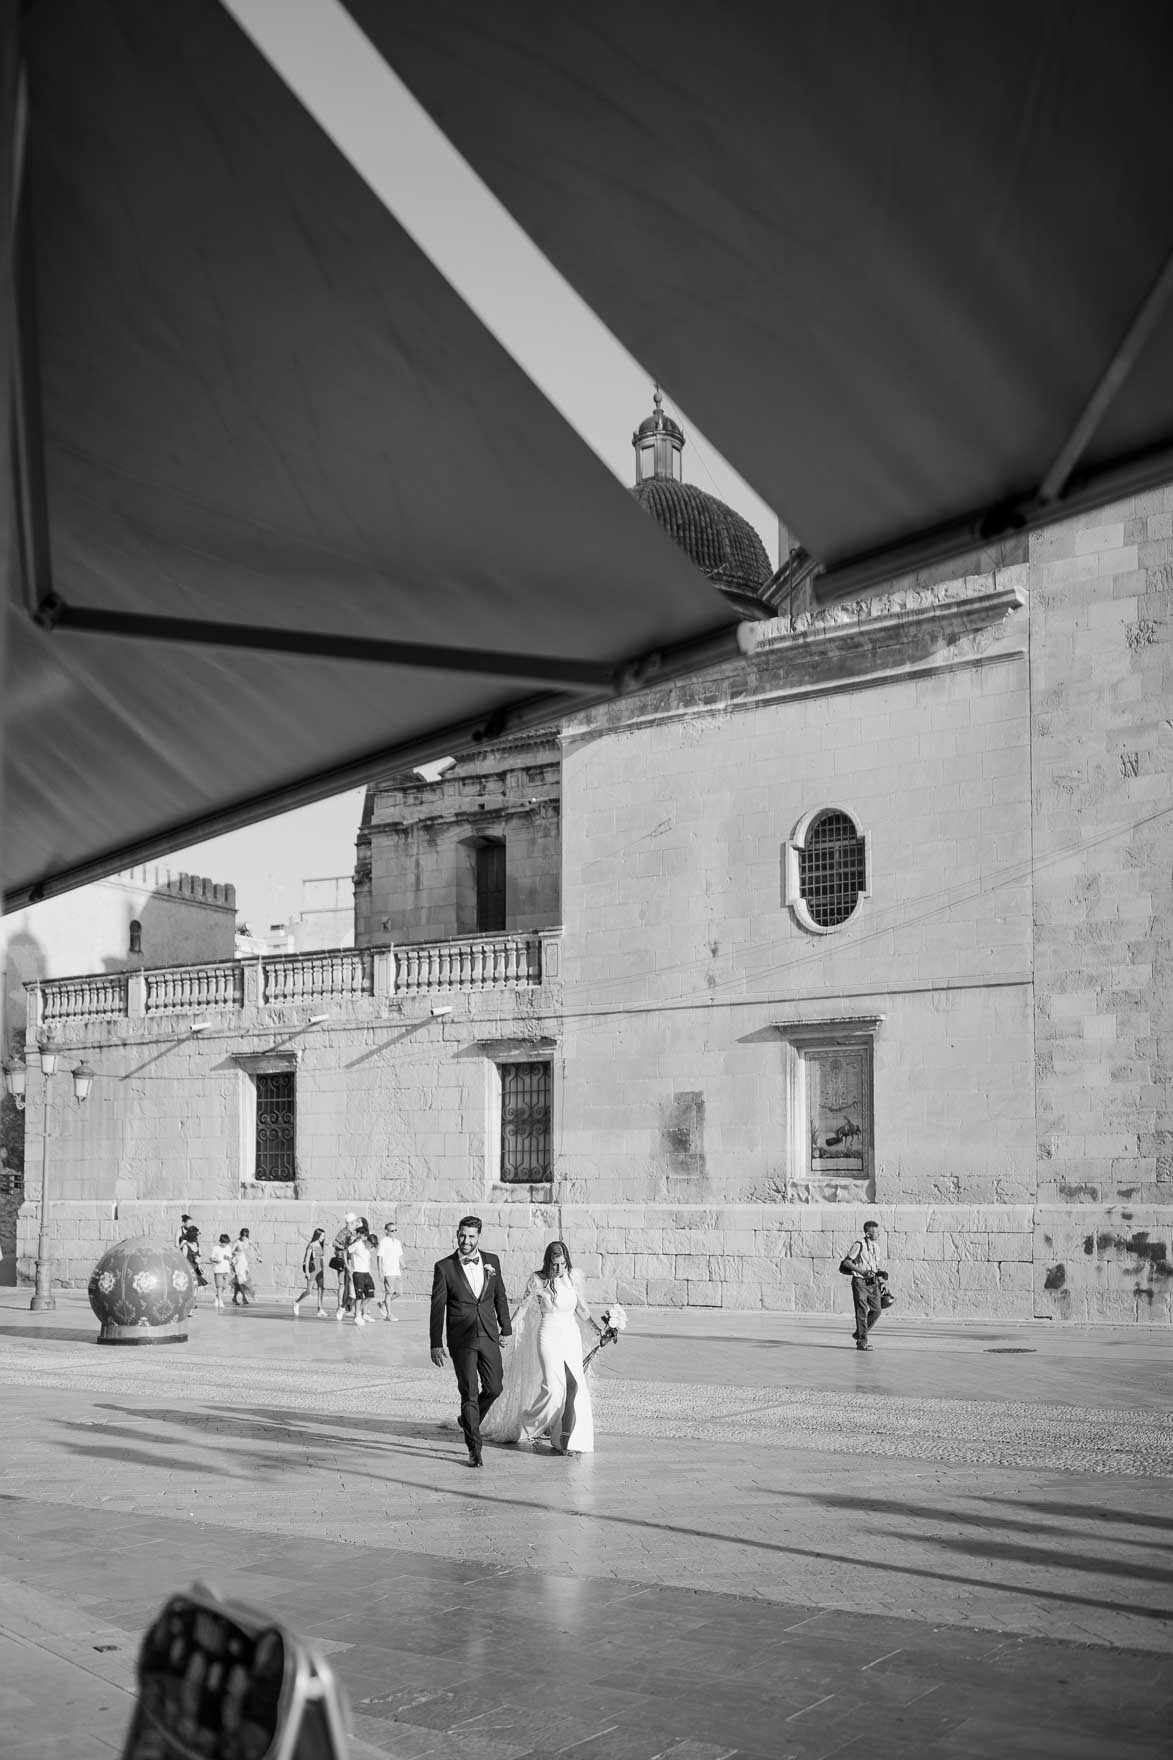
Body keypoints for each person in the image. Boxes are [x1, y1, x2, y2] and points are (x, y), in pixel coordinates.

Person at [483, 1240, 602, 1454]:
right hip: (548, 1335)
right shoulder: (537, 1279)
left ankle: (567, 1439)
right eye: (555, 1264)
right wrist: (507, 1331)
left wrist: (598, 1330)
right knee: (553, 1389)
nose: (558, 1269)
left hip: (571, 1336)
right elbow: (523, 1308)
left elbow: (581, 1310)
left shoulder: (572, 1277)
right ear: (548, 1261)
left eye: (562, 1264)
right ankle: (527, 1426)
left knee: (576, 1388)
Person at [429, 1215, 512, 1468]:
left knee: (495, 1387)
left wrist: (505, 1328)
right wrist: (435, 1342)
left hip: (488, 1334)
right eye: (462, 1235)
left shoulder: (492, 1262)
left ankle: (468, 1421)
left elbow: (500, 1296)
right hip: (461, 1339)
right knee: (469, 1393)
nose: (466, 1241)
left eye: (471, 1236)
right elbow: (437, 1307)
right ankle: (474, 1450)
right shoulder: (444, 1267)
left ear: (479, 1237)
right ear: (457, 1234)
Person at [842, 1218, 887, 1350]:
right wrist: (861, 1271)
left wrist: (881, 1281)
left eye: (878, 1232)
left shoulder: (876, 1247)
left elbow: (875, 1267)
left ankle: (859, 1333)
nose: (878, 1234)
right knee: (861, 1311)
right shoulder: (859, 1245)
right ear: (868, 1233)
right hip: (860, 1281)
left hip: (872, 1283)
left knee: (877, 1310)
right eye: (875, 1232)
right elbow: (847, 1262)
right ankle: (862, 1342)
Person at [293, 1228, 327, 1317]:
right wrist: (307, 1272)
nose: (323, 1237)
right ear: (318, 1235)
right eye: (322, 1235)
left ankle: (320, 1309)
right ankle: (297, 1302)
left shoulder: (320, 1244)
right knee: (309, 1291)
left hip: (320, 1271)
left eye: (324, 1235)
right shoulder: (311, 1245)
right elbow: (307, 1259)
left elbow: (321, 1259)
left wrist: (323, 1269)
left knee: (321, 1289)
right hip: (312, 1270)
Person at [330, 1213, 359, 1317]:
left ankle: (348, 1307)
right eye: (355, 1221)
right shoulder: (344, 1232)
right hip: (342, 1260)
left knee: (349, 1283)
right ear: (351, 1222)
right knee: (342, 1284)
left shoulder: (353, 1232)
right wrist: (345, 1248)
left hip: (350, 1259)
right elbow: (334, 1243)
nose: (356, 1223)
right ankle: (339, 1306)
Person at [348, 1230, 378, 1325]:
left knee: (370, 1294)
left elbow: (376, 1247)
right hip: (358, 1273)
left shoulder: (368, 1248)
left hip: (366, 1273)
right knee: (359, 1296)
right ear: (367, 1241)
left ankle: (358, 1312)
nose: (371, 1247)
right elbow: (345, 1251)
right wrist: (347, 1265)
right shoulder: (357, 1245)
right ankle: (357, 1316)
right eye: (371, 1244)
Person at [376, 1221, 404, 1319]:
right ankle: (388, 1314)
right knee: (389, 1293)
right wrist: (380, 1272)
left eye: (395, 1230)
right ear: (386, 1231)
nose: (394, 1232)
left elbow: (400, 1256)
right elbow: (379, 1257)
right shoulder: (384, 1241)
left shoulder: (397, 1242)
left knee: (400, 1292)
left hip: (397, 1271)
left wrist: (404, 1266)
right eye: (392, 1230)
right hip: (388, 1271)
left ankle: (383, 1304)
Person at [230, 1228, 261, 1307]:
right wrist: (236, 1254)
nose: (244, 1237)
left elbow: (256, 1247)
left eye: (245, 1235)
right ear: (241, 1234)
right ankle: (244, 1297)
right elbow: (231, 1251)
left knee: (241, 1280)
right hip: (237, 1260)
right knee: (240, 1279)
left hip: (243, 1261)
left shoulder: (248, 1240)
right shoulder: (237, 1241)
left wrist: (259, 1256)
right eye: (243, 1235)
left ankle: (234, 1298)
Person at [208, 1234, 232, 1310]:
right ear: (221, 1241)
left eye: (226, 1243)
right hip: (218, 1269)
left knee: (225, 1286)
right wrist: (216, 1260)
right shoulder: (216, 1248)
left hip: (226, 1269)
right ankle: (220, 1301)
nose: (225, 1244)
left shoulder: (228, 1248)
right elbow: (211, 1258)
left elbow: (230, 1259)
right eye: (224, 1242)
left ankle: (217, 1297)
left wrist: (228, 1258)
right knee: (219, 1285)